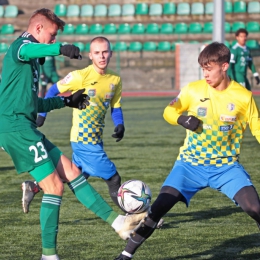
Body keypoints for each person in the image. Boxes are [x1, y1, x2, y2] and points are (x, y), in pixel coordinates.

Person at [0, 8, 146, 260]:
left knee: (72, 172)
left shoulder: (32, 62)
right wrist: (60, 49)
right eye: (52, 34)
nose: (54, 40)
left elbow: (33, 104)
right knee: (54, 187)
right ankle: (49, 256)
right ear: (37, 29)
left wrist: (65, 103)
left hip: (24, 126)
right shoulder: (21, 47)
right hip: (14, 128)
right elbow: (27, 50)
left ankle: (118, 222)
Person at [114, 42, 260, 260]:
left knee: (255, 208)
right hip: (189, 165)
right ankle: (126, 255)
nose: (206, 74)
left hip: (226, 167)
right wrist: (182, 119)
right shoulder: (193, 90)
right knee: (158, 208)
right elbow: (168, 111)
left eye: (209, 69)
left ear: (224, 66)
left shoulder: (243, 96)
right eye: (203, 69)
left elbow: (257, 128)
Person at [23, 36, 126, 212]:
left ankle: (33, 186)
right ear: (90, 56)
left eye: (105, 52)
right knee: (113, 179)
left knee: (74, 176)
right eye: (97, 53)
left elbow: (116, 106)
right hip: (83, 139)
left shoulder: (115, 79)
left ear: (111, 54)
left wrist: (120, 124)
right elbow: (53, 90)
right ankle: (139, 216)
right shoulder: (81, 76)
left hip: (96, 138)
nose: (101, 56)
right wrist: (42, 115)